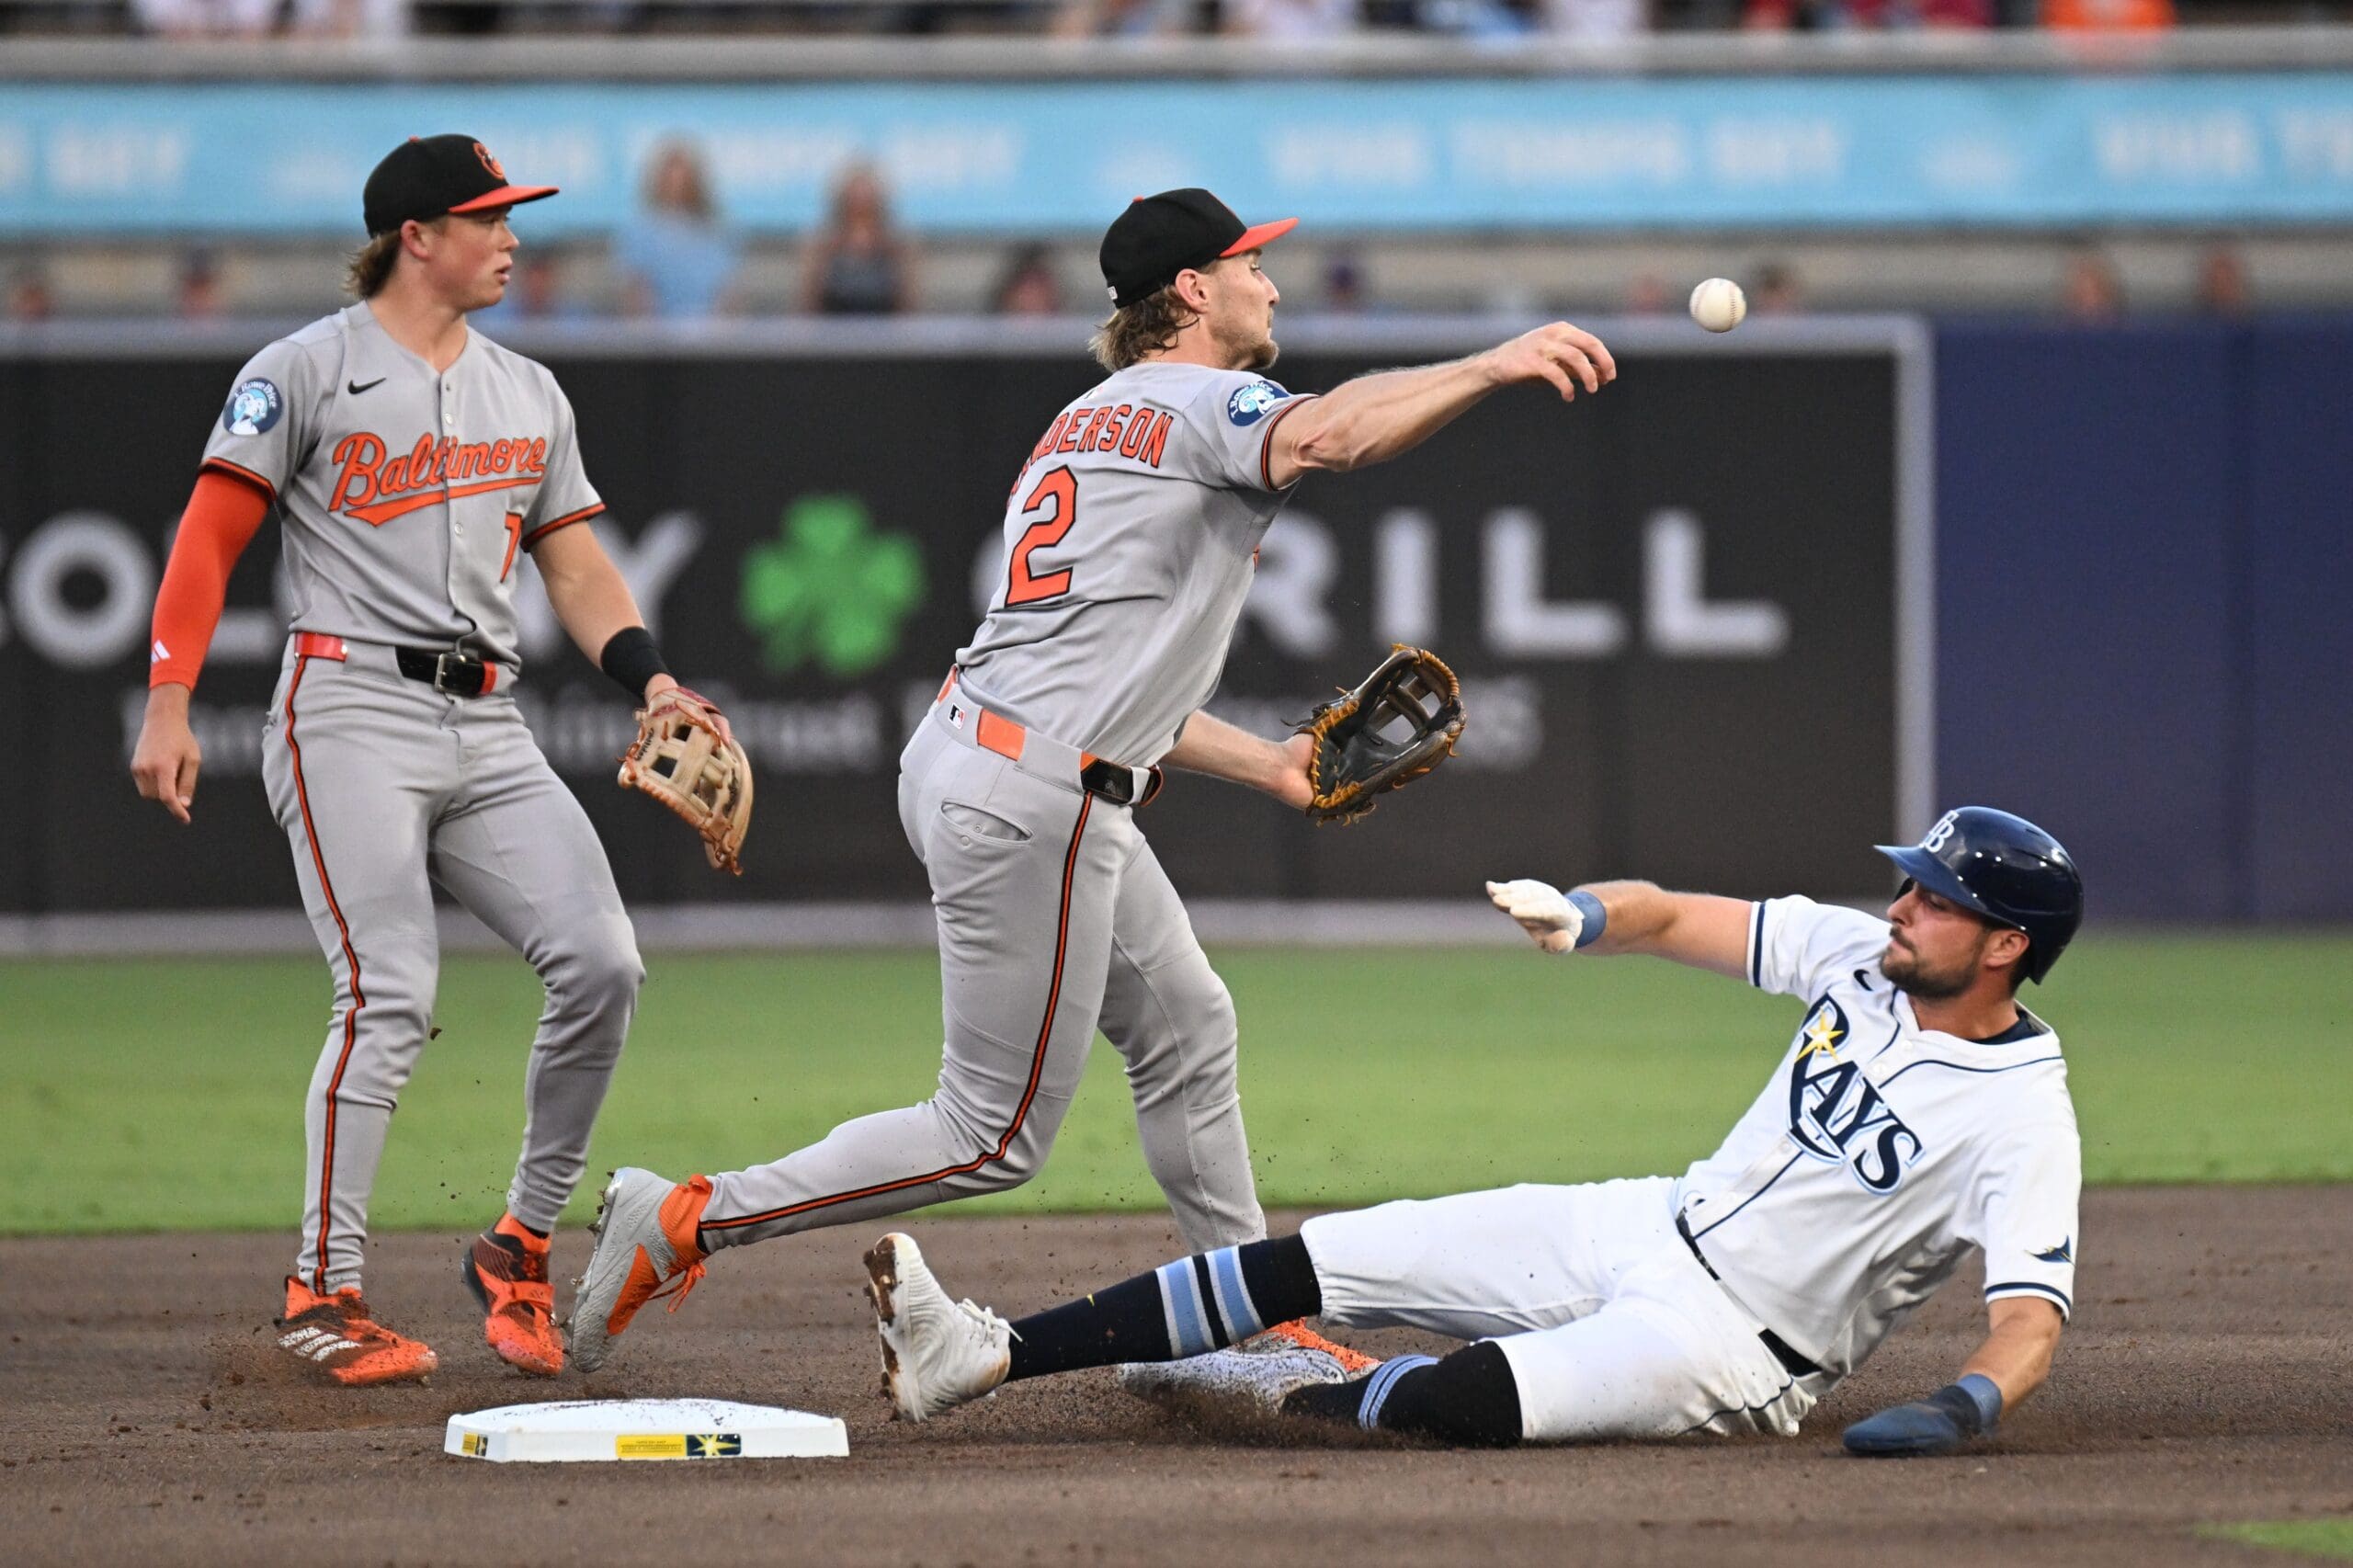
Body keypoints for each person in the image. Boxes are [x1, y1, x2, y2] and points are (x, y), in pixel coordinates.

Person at [565, 187, 1618, 1373]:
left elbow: (1099, 669)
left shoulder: (1085, 420)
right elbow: (1330, 434)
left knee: (1186, 1028)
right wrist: (1494, 361)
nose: (1269, 283)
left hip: (991, 749)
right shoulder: (1208, 398)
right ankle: (684, 1216)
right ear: (1190, 292)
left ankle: (1246, 1326)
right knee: (989, 1134)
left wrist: (1268, 758)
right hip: (1035, 799)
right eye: (1250, 265)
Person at [859, 807, 2085, 1460]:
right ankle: (984, 1351)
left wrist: (1965, 1407)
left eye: (1938, 898)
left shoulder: (2021, 1115)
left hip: (1730, 1346)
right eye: (1912, 883)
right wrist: (1586, 913)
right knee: (1321, 1256)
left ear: (2006, 943)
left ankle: (1275, 1392)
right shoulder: (1858, 961)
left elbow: (2030, 1318)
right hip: (1640, 1218)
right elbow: (1667, 914)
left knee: (1455, 1406)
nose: (1903, 904)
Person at [129, 134, 733, 1386]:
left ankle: (517, 1244)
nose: (511, 238)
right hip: (347, 702)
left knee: (604, 963)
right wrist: (169, 696)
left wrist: (652, 677)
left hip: (488, 720)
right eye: (489, 217)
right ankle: (323, 1287)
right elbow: (207, 536)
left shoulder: (529, 389)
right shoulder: (304, 368)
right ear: (417, 236)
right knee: (389, 989)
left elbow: (573, 565)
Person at [615, 141, 741, 321]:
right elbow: (636, 290)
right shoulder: (639, 231)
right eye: (670, 179)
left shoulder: (716, 230)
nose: (677, 186)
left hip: (710, 333)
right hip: (657, 334)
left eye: (684, 179)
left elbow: (727, 289)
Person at [798, 164, 914, 316]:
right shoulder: (822, 245)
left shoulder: (897, 246)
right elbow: (808, 302)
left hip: (885, 331)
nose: (860, 200)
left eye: (866, 194)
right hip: (831, 331)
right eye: (855, 194)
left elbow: (909, 305)